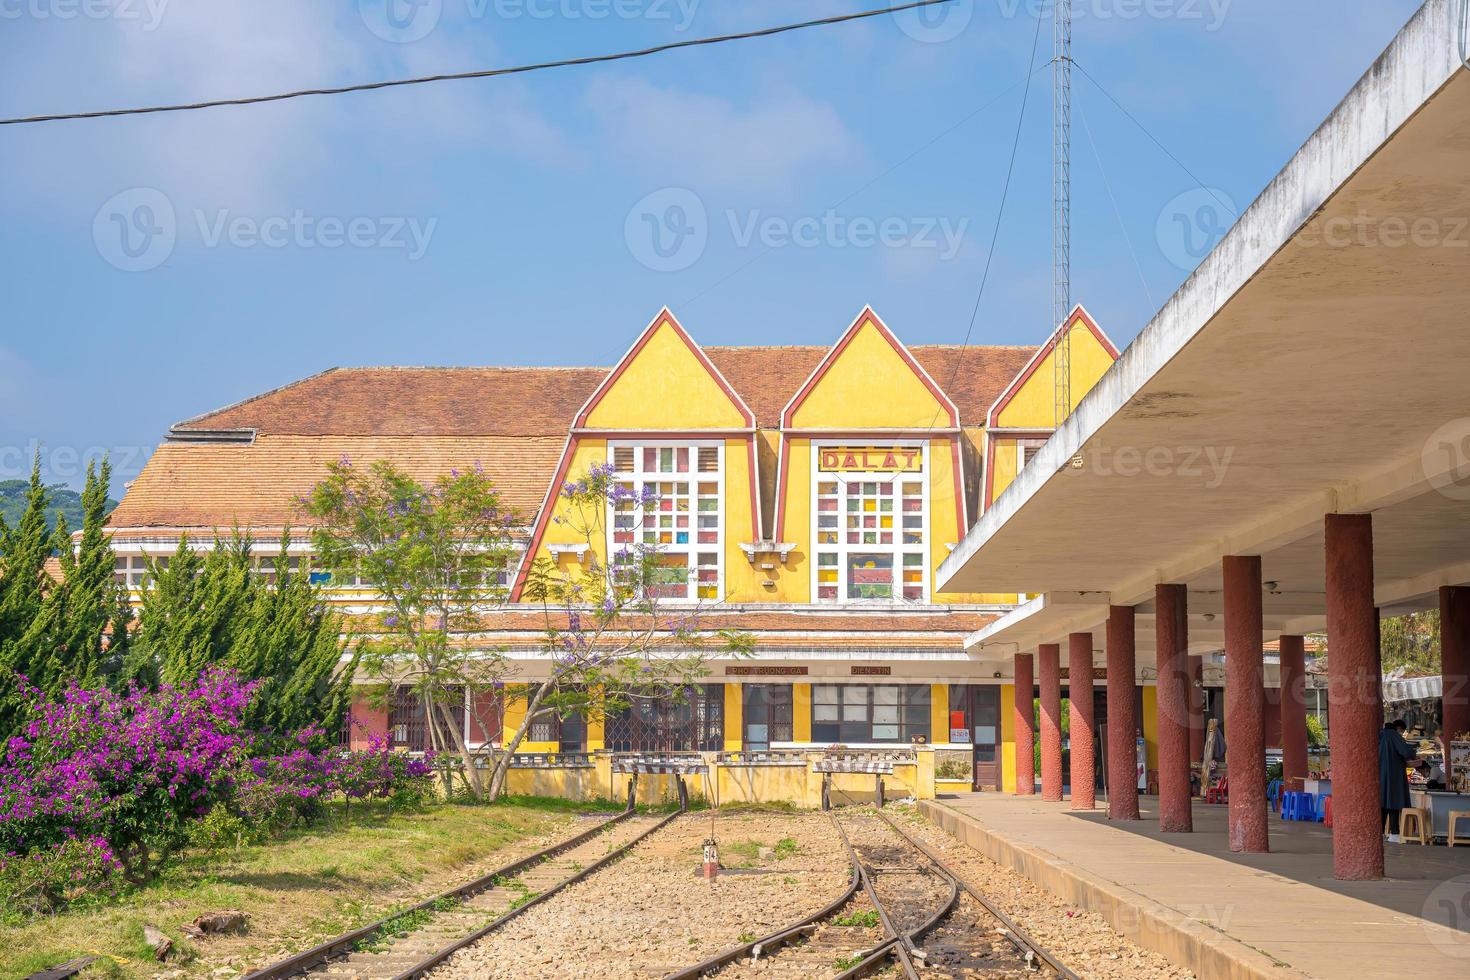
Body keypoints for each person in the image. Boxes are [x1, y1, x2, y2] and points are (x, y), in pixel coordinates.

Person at [1379, 719, 1418, 843]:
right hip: (1393, 774)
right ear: (1399, 728)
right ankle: (1394, 833)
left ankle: (1379, 832)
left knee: (1383, 803)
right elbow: (1406, 751)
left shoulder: (1379, 735)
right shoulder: (1394, 735)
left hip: (1380, 775)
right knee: (1393, 802)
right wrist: (1413, 754)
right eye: (1402, 731)